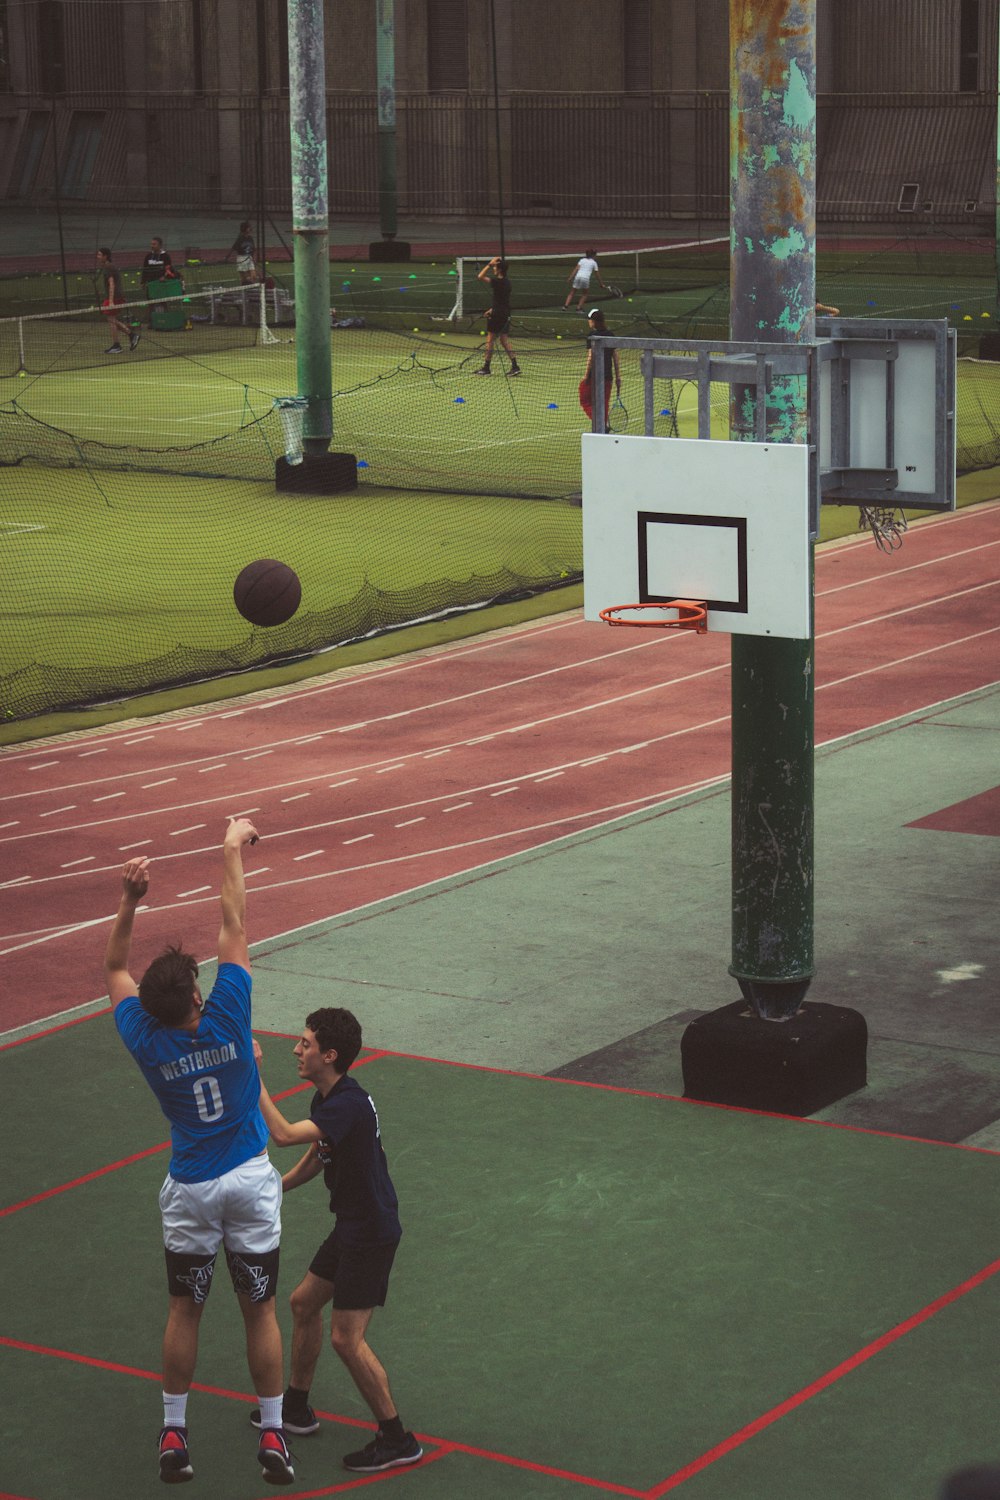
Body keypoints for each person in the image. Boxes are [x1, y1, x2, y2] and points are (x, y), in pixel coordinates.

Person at [105, 819, 294, 1488]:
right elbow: (234, 922)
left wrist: (130, 900)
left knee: (185, 1309)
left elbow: (115, 968)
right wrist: (230, 846)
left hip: (190, 1186)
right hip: (248, 1179)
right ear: (196, 996)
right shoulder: (229, 1011)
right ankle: (272, 1432)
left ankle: (174, 1434)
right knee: (260, 1309)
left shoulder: (145, 1040)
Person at [254, 1007, 423, 1476]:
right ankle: (296, 1409)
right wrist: (278, 1188)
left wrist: (251, 1078)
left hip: (370, 1232)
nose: (296, 1049)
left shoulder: (347, 1104)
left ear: (329, 1055)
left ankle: (397, 1438)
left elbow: (285, 1135)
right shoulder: (330, 1099)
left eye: (305, 1043)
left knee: (347, 1340)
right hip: (351, 1225)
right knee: (304, 1303)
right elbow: (316, 1154)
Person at [473, 255, 521, 376]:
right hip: (504, 313)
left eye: (495, 267)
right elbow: (501, 300)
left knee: (490, 340)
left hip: (497, 314)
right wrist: (491, 309)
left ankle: (486, 368)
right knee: (504, 340)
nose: (493, 269)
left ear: (499, 270)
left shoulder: (497, 282)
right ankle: (515, 366)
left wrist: (489, 264)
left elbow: (480, 276)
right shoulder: (507, 283)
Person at [578, 307, 622, 428]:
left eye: (589, 319)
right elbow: (616, 357)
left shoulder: (592, 335)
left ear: (593, 321)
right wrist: (618, 377)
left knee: (585, 400)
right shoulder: (610, 335)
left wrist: (586, 375)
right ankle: (603, 425)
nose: (588, 322)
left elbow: (590, 356)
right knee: (604, 404)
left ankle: (601, 423)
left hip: (594, 376)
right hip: (608, 376)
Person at [97, 246, 138, 353]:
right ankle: (131, 335)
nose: (98, 257)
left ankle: (117, 345)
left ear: (105, 256)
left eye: (100, 255)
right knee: (111, 320)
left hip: (115, 297)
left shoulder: (108, 267)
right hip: (114, 297)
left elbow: (112, 284)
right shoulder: (107, 266)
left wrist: (111, 301)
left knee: (111, 320)